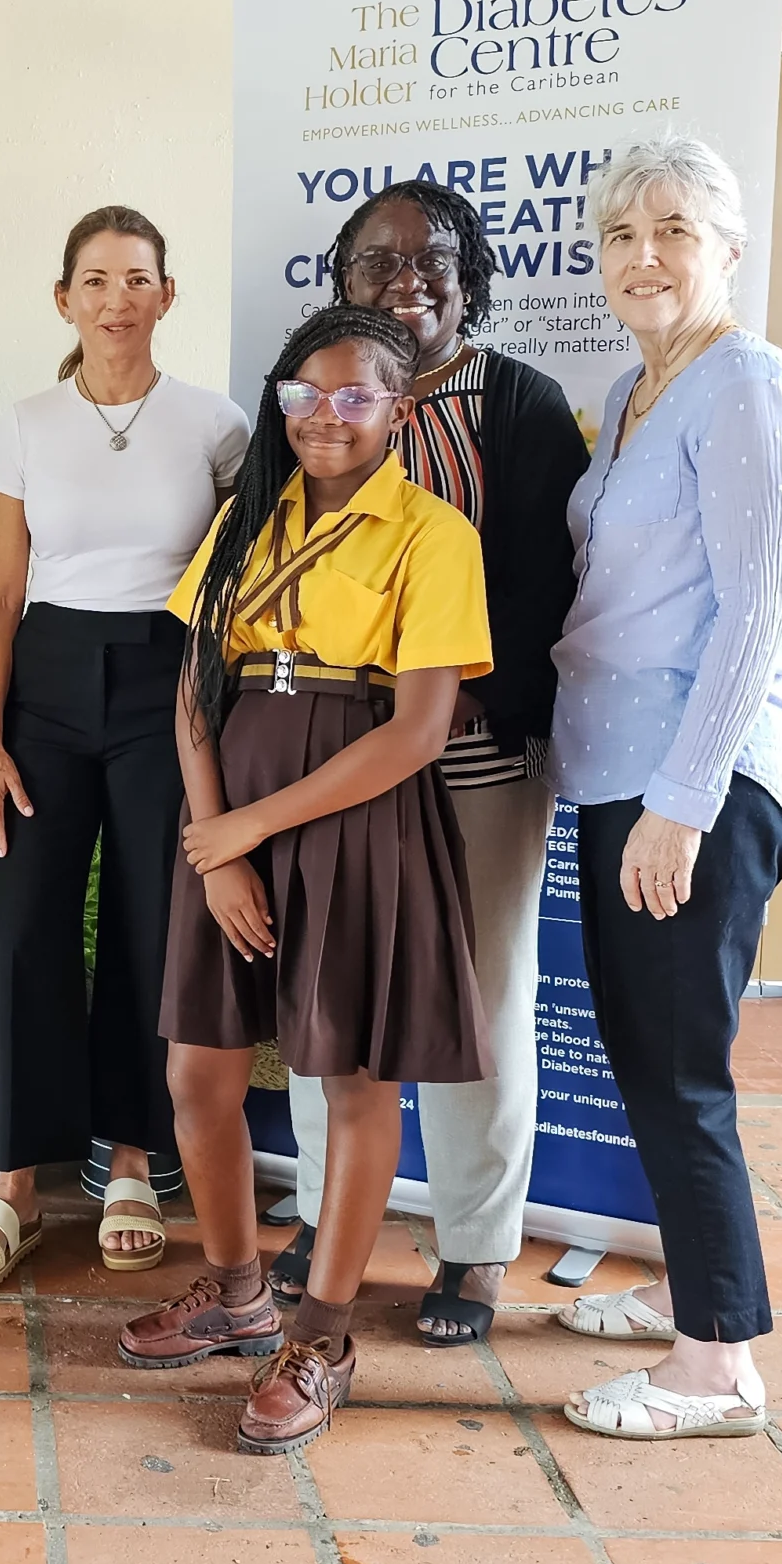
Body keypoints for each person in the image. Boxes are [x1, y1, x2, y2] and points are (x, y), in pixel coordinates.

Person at [117, 304, 493, 1454]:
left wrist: (249, 826)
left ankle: (320, 1335)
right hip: (231, 819)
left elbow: (416, 731)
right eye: (304, 395)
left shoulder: (432, 534)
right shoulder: (250, 517)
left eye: (354, 396)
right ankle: (237, 1293)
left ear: (400, 409)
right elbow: (194, 688)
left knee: (355, 1083)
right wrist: (216, 838)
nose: (325, 417)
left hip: (357, 822)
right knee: (197, 1073)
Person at [276, 182, 588, 1344]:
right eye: (380, 259)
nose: (408, 278)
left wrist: (462, 695)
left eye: (434, 259)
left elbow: (548, 583)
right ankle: (322, 1214)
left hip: (475, 756)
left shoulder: (519, 401)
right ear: (342, 275)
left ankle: (474, 1243)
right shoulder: (309, 390)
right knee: (324, 989)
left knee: (481, 996)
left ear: (470, 278)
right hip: (331, 756)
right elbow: (269, 550)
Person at [547, 133, 782, 1441]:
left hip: (693, 777)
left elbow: (757, 608)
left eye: (673, 230)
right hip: (624, 770)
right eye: (620, 234)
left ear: (729, 249)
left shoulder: (746, 385)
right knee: (648, 1056)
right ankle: (690, 1294)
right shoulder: (633, 391)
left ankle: (716, 1367)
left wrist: (684, 798)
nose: (643, 255)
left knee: (678, 1068)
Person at [0, 207, 248, 1292]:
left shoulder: (216, 424)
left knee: (148, 921)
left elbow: (237, 582)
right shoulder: (24, 423)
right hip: (49, 680)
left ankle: (130, 1160)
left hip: (170, 681)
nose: (116, 299)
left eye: (136, 278)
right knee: (27, 918)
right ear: (63, 298)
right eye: (95, 279)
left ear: (167, 295)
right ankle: (15, 1181)